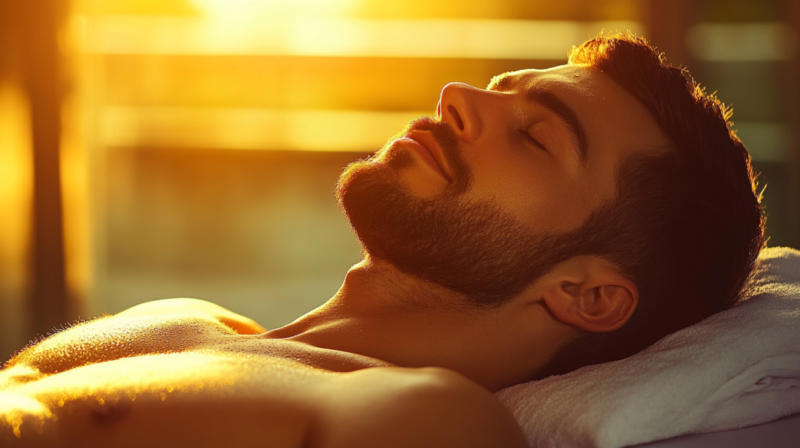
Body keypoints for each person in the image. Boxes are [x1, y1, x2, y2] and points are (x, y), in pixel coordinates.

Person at [0, 33, 764, 447]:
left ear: (587, 294)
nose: (458, 97)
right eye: (496, 88)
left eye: (535, 137)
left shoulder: (422, 418)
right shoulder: (183, 320)